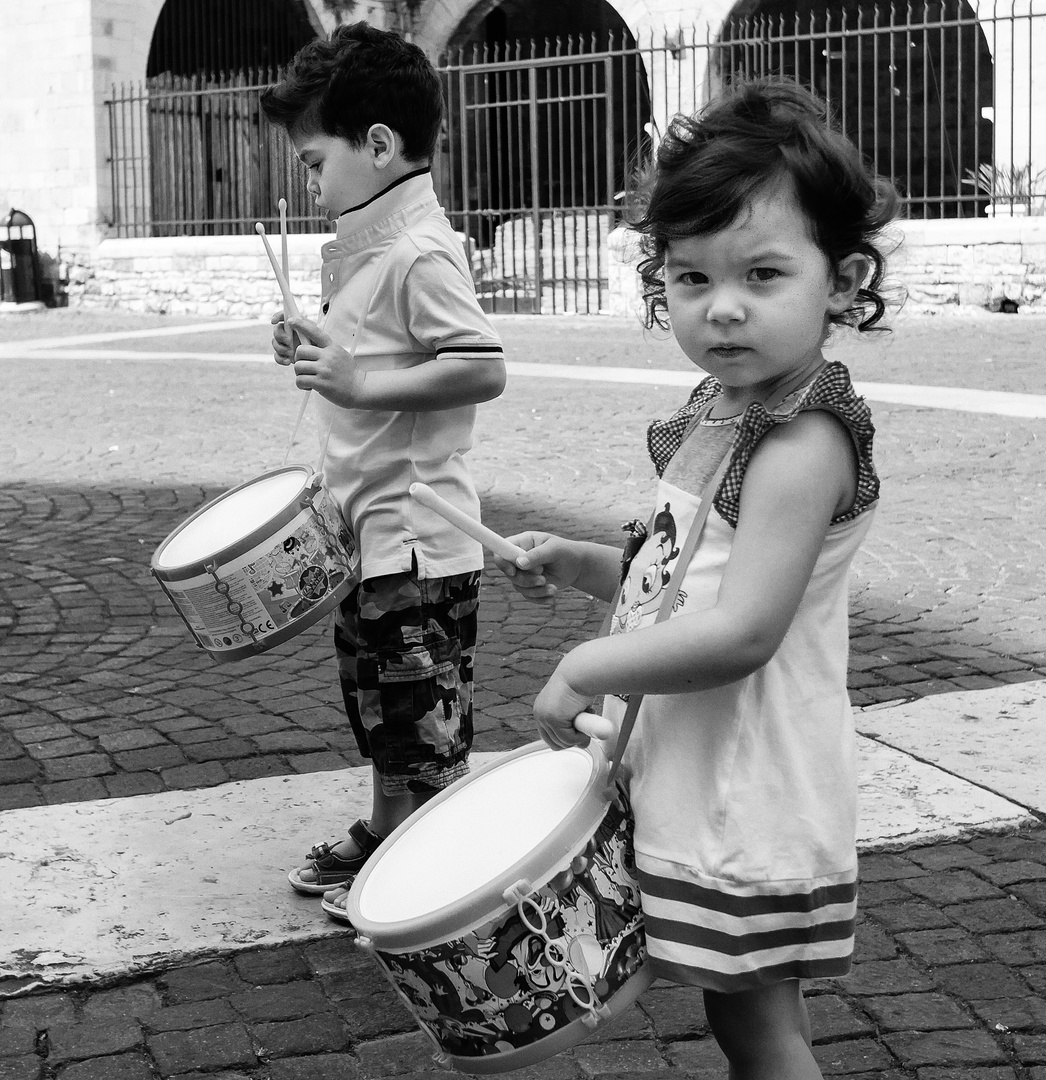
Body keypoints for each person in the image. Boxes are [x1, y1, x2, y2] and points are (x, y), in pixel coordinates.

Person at [495, 79, 898, 1079]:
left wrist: (588, 665)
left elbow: (743, 629)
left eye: (762, 274)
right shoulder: (727, 405)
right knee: (751, 1016)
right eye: (688, 279)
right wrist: (586, 566)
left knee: (755, 1028)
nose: (720, 308)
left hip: (748, 775)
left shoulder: (801, 436)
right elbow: (677, 581)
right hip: (705, 756)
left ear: (841, 279)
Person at [260, 23, 507, 922]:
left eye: (316, 161)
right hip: (370, 534)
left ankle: (434, 867)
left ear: (379, 145)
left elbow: (482, 365)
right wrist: (322, 346)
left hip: (420, 538)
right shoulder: (368, 248)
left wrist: (359, 381)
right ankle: (386, 828)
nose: (310, 180)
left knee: (424, 716)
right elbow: (375, 356)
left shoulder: (419, 251)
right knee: (380, 704)